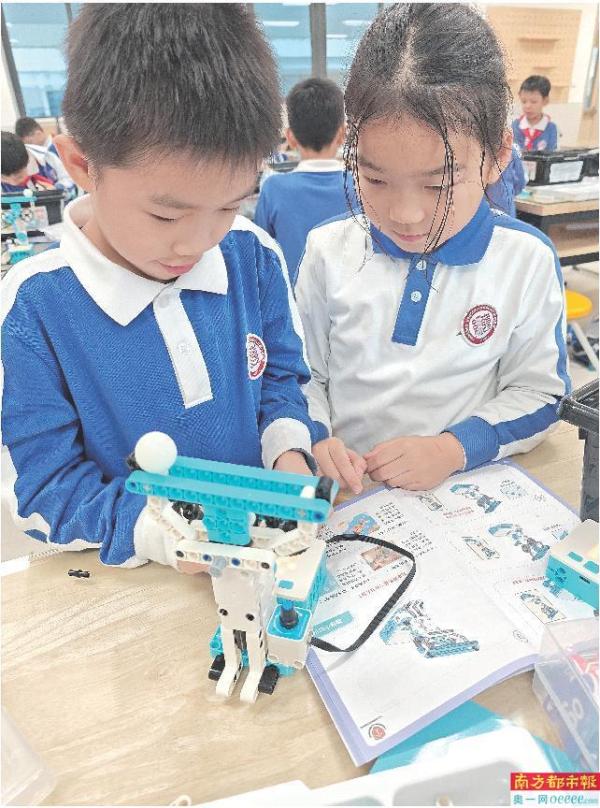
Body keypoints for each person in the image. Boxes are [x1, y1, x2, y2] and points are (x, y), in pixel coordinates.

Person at [1, 4, 320, 570]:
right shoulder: (34, 308)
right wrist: (166, 534)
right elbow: (42, 489)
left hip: (261, 559)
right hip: (134, 577)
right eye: (166, 216)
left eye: (229, 205)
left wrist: (288, 453)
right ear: (81, 164)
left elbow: (282, 380)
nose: (198, 243)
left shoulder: (252, 256)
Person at [295, 3, 569, 494]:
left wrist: (452, 448)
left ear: (497, 155)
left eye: (438, 185)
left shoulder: (524, 260)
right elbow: (302, 374)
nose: (405, 214)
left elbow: (541, 393)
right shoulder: (327, 250)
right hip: (348, 496)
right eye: (375, 179)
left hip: (458, 493)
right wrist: (315, 437)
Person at [254, 78, 358, 282]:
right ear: (342, 134)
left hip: (290, 298)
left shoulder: (274, 189)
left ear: (290, 138)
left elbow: (260, 254)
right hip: (348, 298)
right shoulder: (359, 187)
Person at [512, 75, 558, 152]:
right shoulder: (515, 126)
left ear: (545, 101)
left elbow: (551, 154)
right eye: (524, 101)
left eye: (533, 102)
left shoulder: (551, 128)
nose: (527, 106)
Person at [486, 145, 527, 216]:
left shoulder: (481, 145)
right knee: (505, 221)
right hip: (504, 196)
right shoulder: (510, 149)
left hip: (482, 197)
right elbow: (520, 180)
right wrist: (513, 192)